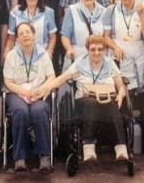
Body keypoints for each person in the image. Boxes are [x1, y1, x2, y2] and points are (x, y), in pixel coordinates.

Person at [43, 34, 130, 163]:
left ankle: (121, 148)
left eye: (100, 49)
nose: (96, 53)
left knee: (113, 105)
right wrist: (47, 89)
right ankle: (88, 147)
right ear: (88, 49)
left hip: (107, 100)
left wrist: (120, 96)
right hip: (85, 102)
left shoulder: (110, 63)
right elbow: (62, 78)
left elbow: (120, 85)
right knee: (92, 103)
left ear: (105, 50)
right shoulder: (80, 63)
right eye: (93, 49)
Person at [2, 21, 55, 172]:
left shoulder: (43, 54)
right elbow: (8, 81)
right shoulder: (12, 55)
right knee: (20, 112)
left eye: (28, 32)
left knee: (39, 111)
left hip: (38, 93)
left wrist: (42, 90)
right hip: (17, 93)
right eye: (21, 33)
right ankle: (19, 157)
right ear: (17, 39)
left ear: (34, 35)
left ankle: (44, 156)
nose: (25, 35)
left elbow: (51, 77)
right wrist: (24, 92)